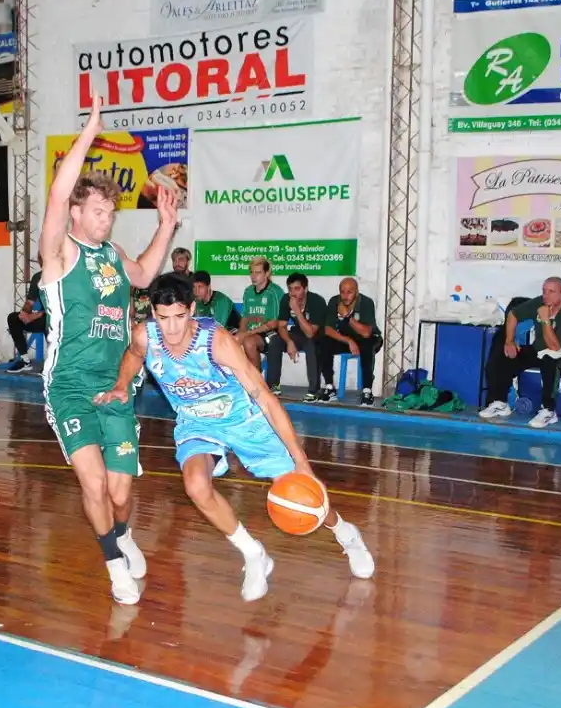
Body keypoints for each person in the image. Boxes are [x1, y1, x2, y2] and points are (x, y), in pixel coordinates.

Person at [96, 274, 374, 601]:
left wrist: (302, 462)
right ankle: (253, 553)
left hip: (244, 420)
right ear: (153, 314)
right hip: (197, 424)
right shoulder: (145, 336)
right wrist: (120, 384)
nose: (171, 328)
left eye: (179, 317)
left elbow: (266, 398)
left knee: (301, 489)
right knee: (196, 485)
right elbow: (133, 355)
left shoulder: (216, 342)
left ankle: (345, 533)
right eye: (163, 318)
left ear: (192, 309)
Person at [38, 91, 179, 605]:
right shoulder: (59, 253)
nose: (107, 217)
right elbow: (55, 195)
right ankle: (114, 563)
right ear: (76, 212)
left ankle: (121, 535)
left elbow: (144, 273)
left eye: (111, 212)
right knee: (94, 484)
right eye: (98, 209)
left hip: (118, 384)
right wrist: (92, 131)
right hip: (70, 387)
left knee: (121, 493)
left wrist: (166, 226)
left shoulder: (114, 254)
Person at [479, 276, 561, 429]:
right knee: (506, 354)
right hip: (542, 351)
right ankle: (500, 402)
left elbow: (555, 347)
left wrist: (545, 320)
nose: (546, 295)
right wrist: (510, 341)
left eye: (551, 291)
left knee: (551, 360)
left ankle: (549, 411)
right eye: (544, 291)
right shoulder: (540, 303)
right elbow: (513, 315)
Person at [264, 272, 326, 402]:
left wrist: (297, 311)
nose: (293, 293)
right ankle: (273, 386)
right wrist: (289, 342)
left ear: (305, 288)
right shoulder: (286, 299)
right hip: (298, 333)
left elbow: (310, 333)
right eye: (290, 289)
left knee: (311, 344)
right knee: (275, 340)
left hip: (318, 336)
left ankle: (314, 391)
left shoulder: (317, 301)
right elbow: (281, 326)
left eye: (297, 289)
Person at [320, 277, 382, 406]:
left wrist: (348, 317)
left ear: (357, 292)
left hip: (369, 338)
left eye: (350, 292)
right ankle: (330, 387)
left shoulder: (365, 302)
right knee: (323, 342)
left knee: (367, 345)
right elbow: (327, 329)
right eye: (343, 292)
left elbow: (366, 333)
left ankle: (367, 390)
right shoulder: (334, 301)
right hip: (347, 339)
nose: (345, 296)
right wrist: (348, 340)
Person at [237, 257, 285, 368]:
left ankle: (257, 381)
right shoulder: (248, 291)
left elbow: (274, 323)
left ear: (267, 273)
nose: (253, 276)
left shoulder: (275, 291)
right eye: (251, 272)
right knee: (231, 340)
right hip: (252, 333)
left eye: (258, 272)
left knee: (249, 342)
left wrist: (247, 334)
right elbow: (244, 318)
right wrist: (240, 334)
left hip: (273, 333)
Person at [5, 260, 46, 374]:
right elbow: (30, 301)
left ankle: (53, 364)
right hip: (42, 316)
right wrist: (24, 314)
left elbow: (59, 308)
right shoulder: (38, 277)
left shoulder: (62, 278)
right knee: (13, 318)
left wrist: (35, 315)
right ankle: (25, 360)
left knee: (51, 322)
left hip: (59, 318)